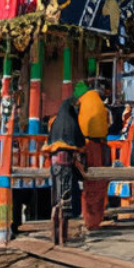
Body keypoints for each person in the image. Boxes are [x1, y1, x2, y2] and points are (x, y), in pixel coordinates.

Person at [42, 97, 86, 244]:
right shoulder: (71, 122)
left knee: (56, 198)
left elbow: (49, 141)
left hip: (54, 166)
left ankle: (55, 235)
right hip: (66, 165)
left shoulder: (55, 122)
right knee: (65, 200)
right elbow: (80, 142)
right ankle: (63, 236)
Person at [76, 80, 111, 232]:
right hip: (99, 148)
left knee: (89, 186)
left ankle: (89, 220)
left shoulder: (84, 103)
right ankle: (95, 219)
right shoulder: (98, 103)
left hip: (86, 148)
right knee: (99, 185)